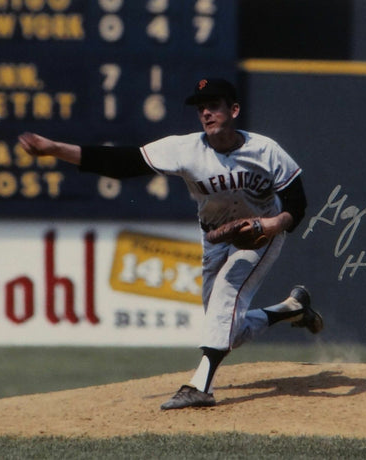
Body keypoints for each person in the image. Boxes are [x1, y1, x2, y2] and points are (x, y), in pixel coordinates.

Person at [18, 77, 323, 409]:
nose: (206, 113)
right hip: (215, 239)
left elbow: (298, 204)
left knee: (226, 294)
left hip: (259, 236)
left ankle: (200, 387)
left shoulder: (266, 151)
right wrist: (53, 149)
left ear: (234, 110)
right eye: (201, 108)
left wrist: (273, 224)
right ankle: (291, 309)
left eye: (214, 105)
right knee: (226, 328)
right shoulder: (186, 149)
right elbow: (122, 163)